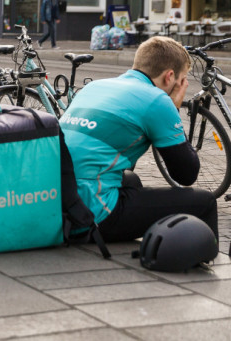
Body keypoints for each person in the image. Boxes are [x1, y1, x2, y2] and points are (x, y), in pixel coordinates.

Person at [61, 36, 217, 242]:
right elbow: (186, 174)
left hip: (60, 200)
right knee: (205, 202)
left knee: (131, 181)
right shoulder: (157, 100)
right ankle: (203, 264)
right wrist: (173, 108)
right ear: (169, 77)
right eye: (182, 80)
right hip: (91, 212)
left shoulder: (94, 87)